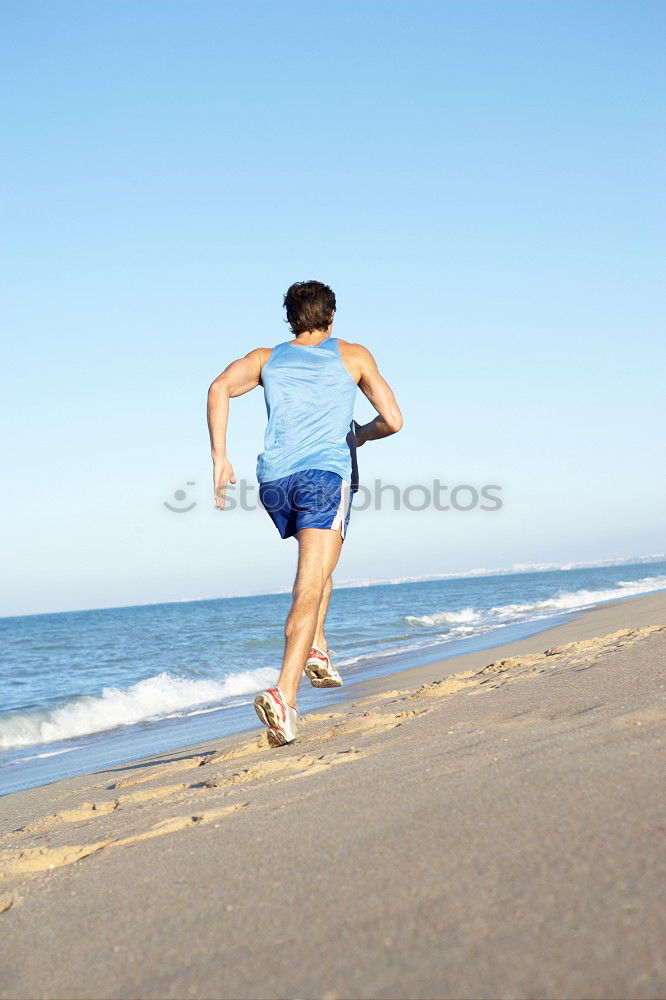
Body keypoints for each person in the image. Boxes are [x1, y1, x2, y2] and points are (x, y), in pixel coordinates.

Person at [207, 280, 403, 746]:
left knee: (321, 566)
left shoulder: (265, 359)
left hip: (274, 483)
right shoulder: (352, 354)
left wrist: (220, 457)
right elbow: (393, 419)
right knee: (309, 584)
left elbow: (218, 388)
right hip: (323, 477)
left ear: (290, 319)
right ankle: (285, 697)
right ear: (331, 317)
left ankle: (318, 647)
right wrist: (360, 435)